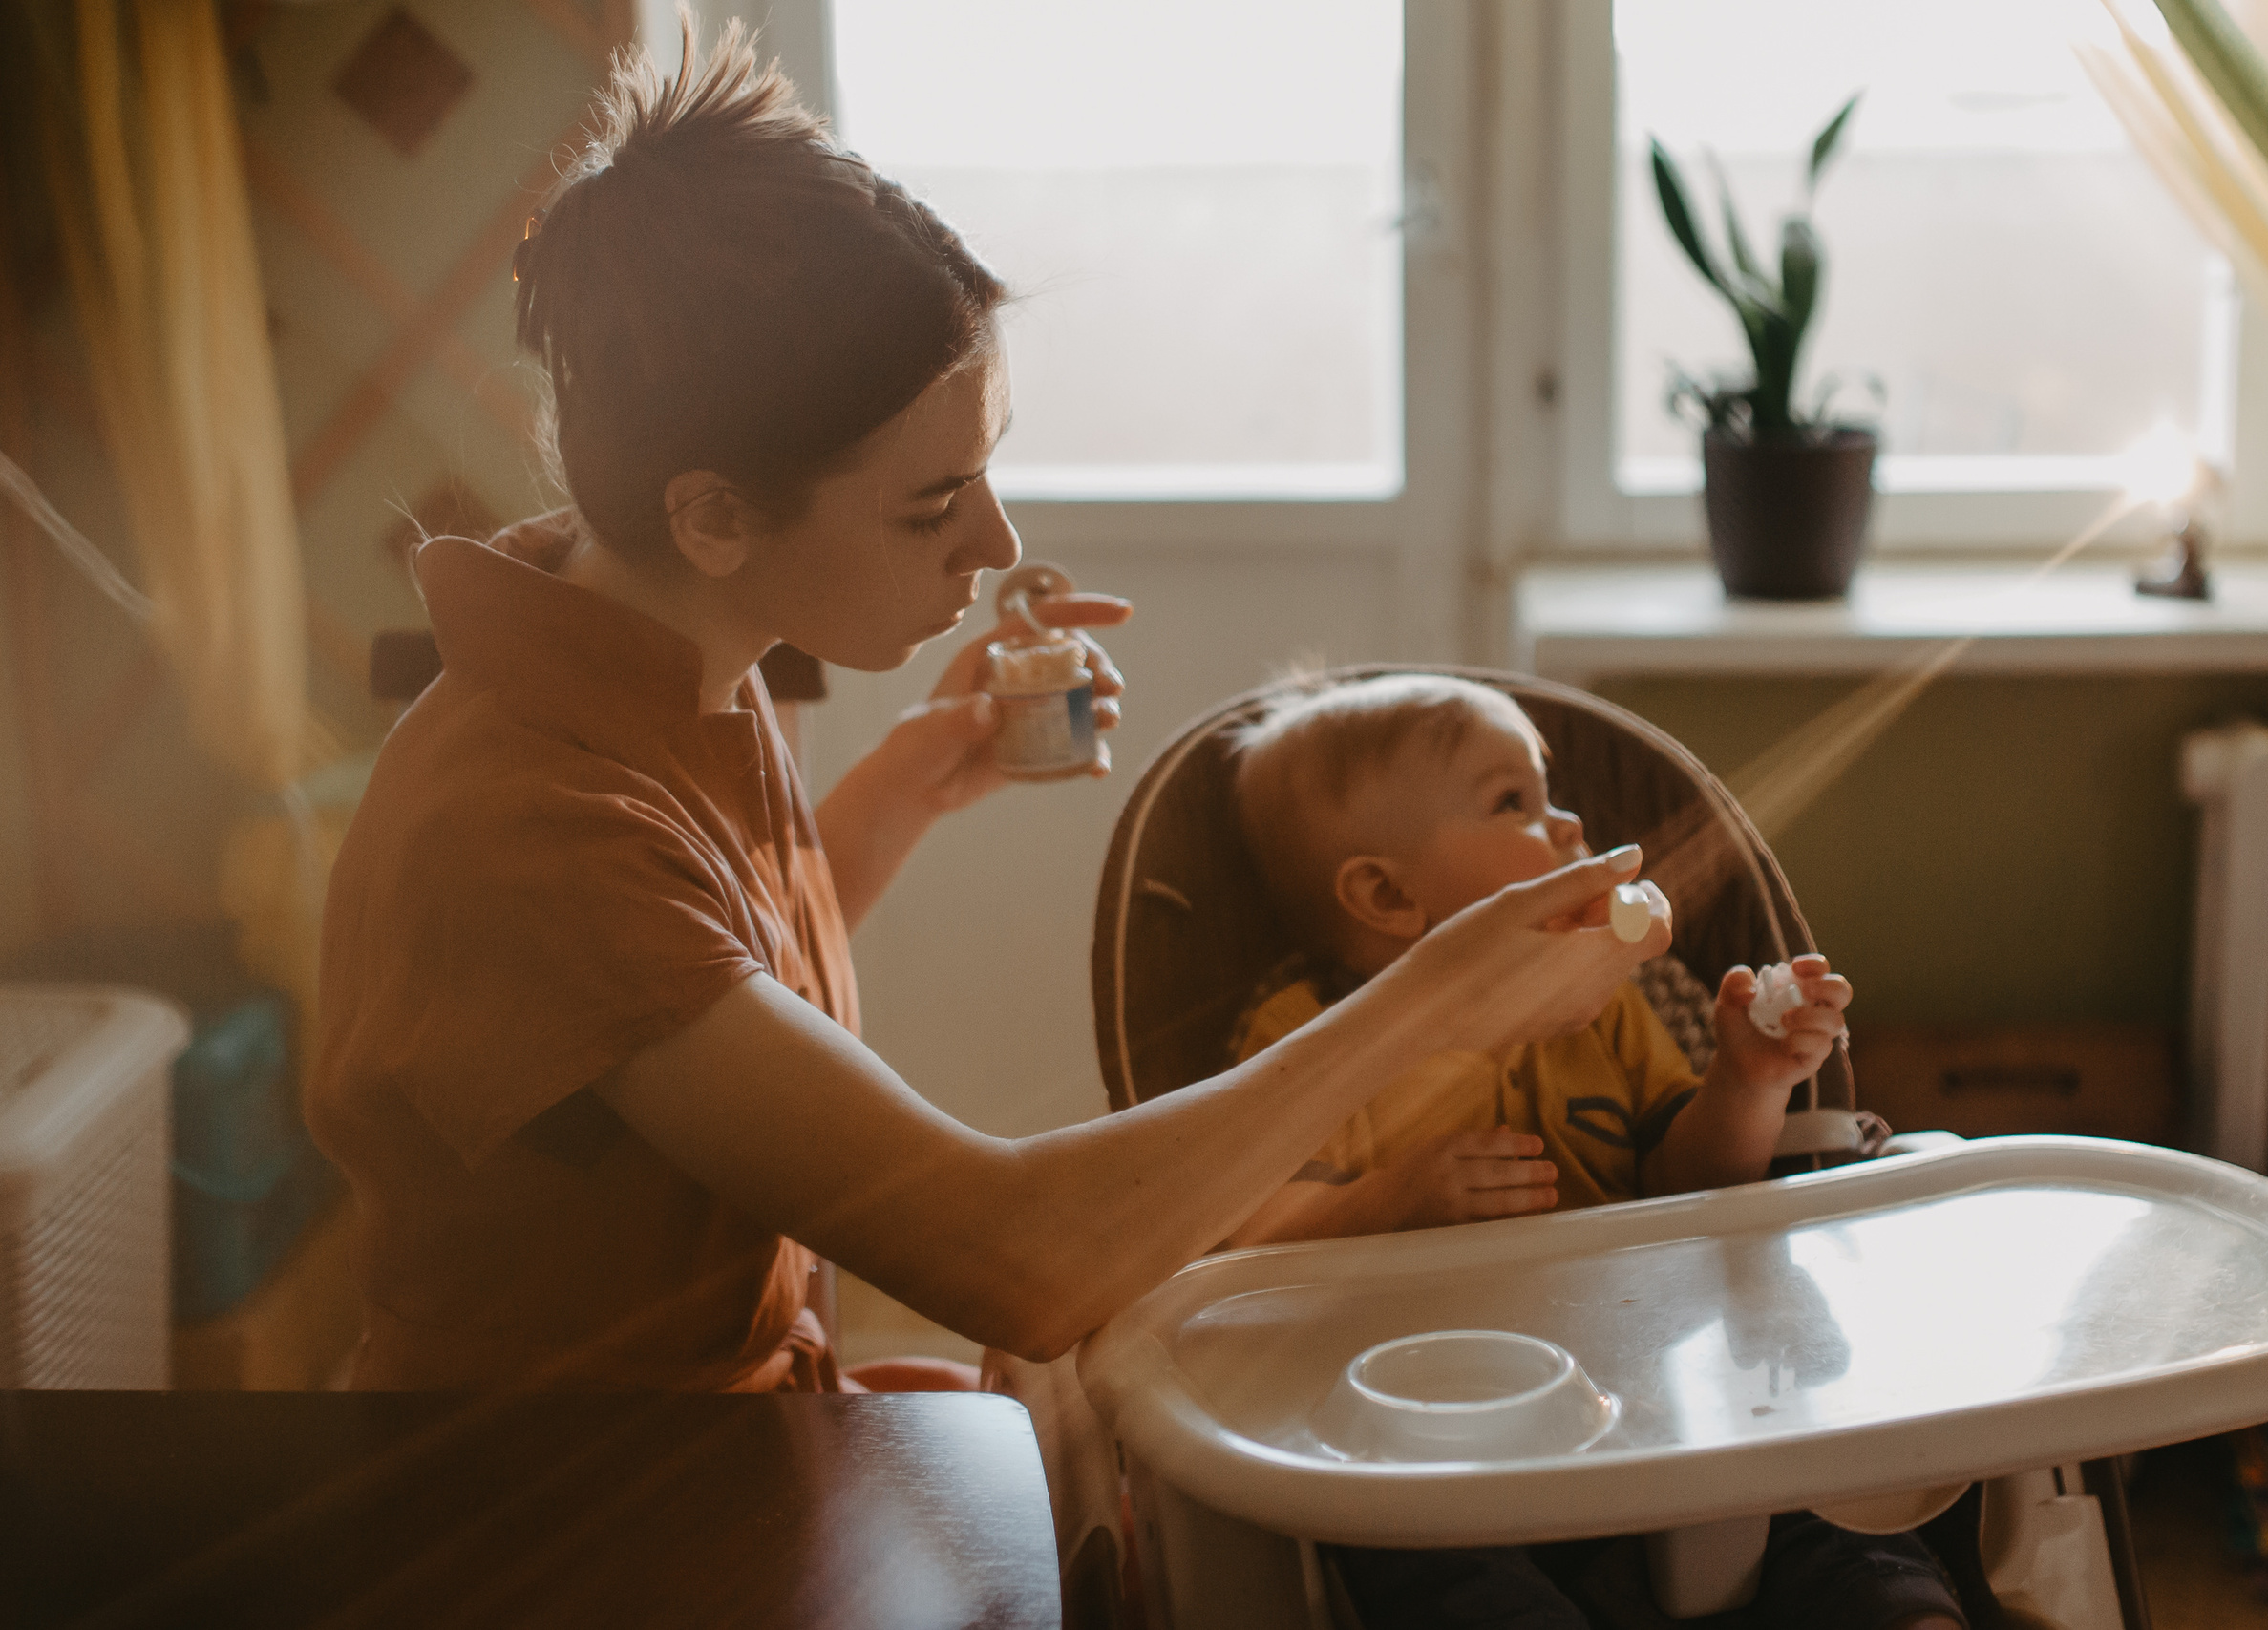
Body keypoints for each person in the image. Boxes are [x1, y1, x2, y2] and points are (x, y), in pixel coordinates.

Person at [304, 19, 1651, 1401]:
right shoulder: (529, 827)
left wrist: (917, 778)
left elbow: (707, 974)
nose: (995, 541)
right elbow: (1018, 1260)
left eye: (983, 473)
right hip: (562, 1504)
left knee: (1063, 1430)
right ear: (712, 513)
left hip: (734, 1403)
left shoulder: (655, 646)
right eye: (931, 504)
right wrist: (1436, 994)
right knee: (1077, 1411)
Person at [1222, 674, 1965, 1630]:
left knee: (1820, 1470)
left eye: (1550, 792)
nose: (1569, 824)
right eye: (1513, 802)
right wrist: (1387, 1198)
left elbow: (1689, 1183)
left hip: (1659, 1372)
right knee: (1397, 1534)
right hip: (1443, 1420)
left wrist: (1747, 1080)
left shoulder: (1612, 1004)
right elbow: (1242, 1239)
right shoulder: (1312, 1038)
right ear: (1386, 892)